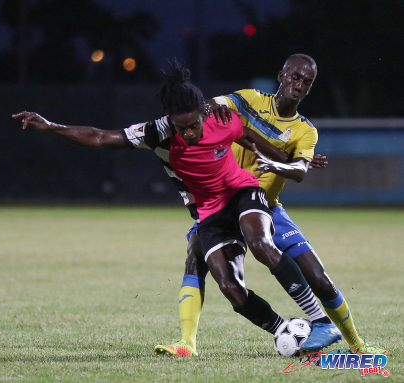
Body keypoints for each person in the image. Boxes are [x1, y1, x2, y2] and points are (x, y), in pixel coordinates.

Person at [13, 61, 321, 353]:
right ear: (169, 119)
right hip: (209, 210)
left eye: (193, 126)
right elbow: (98, 137)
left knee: (260, 243)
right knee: (229, 287)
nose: (188, 133)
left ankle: (317, 319)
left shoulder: (221, 118)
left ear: (203, 112)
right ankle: (284, 331)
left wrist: (293, 162)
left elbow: (255, 141)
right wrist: (52, 126)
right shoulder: (156, 132)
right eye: (181, 127)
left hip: (241, 192)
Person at [154, 54, 388, 357]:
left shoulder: (305, 131)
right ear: (281, 76)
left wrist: (278, 164)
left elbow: (301, 171)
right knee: (199, 259)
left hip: (266, 206)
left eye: (306, 82)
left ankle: (357, 345)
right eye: (294, 77)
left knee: (317, 276)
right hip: (225, 203)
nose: (299, 85)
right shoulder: (250, 100)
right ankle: (187, 343)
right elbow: (209, 106)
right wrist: (211, 108)